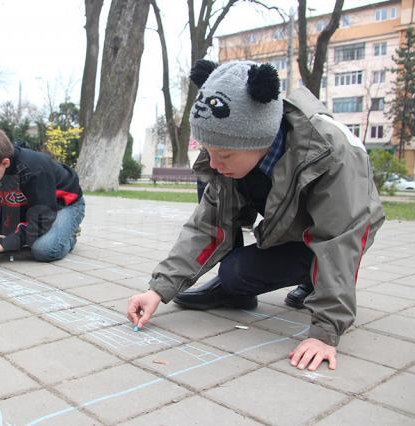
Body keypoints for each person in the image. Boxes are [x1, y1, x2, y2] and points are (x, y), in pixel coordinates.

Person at [127, 60, 385, 371]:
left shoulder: (330, 152)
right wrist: (158, 290)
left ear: (258, 137)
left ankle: (315, 282)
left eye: (224, 154)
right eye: (210, 150)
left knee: (323, 258)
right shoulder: (231, 155)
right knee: (235, 274)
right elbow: (207, 226)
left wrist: (325, 332)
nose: (216, 162)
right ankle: (297, 279)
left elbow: (339, 239)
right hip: (294, 225)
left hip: (347, 228)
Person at [0, 125, 85, 262]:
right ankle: (42, 235)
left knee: (44, 250)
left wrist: (6, 244)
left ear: (4, 163)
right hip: (28, 210)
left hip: (64, 205)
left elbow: (42, 216)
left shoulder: (35, 169)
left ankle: (69, 234)